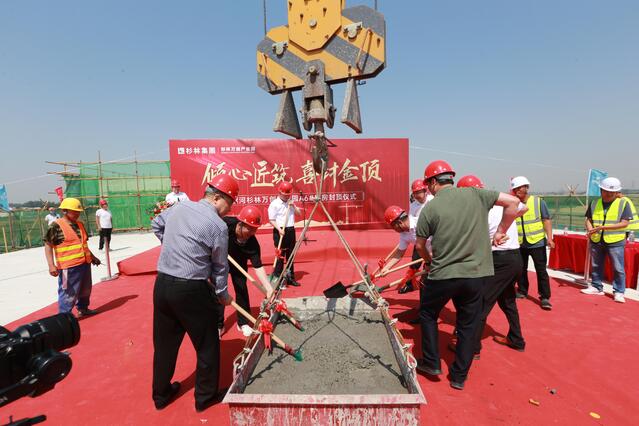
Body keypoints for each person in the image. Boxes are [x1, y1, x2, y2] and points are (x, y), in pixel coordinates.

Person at [414, 160, 520, 390]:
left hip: (443, 274)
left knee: (428, 313)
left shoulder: (430, 208)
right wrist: (501, 231)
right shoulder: (476, 195)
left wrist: (429, 262)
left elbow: (420, 246)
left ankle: (431, 363)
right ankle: (459, 376)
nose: (428, 189)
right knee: (468, 323)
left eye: (428, 184)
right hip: (476, 275)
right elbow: (514, 202)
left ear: (433, 182)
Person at [150, 174, 238, 412]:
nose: (229, 210)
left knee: (164, 344)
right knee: (208, 344)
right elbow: (220, 266)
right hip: (191, 289)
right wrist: (222, 294)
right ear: (217, 198)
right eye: (230, 203)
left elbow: (156, 225)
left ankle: (161, 395)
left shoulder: (180, 208)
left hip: (162, 284)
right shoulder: (218, 226)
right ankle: (205, 397)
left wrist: (174, 247)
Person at [450, 175, 528, 358]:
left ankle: (472, 348)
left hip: (499, 261)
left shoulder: (479, 213)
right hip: (515, 259)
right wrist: (506, 223)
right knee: (507, 301)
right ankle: (516, 339)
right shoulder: (503, 204)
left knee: (480, 304)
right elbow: (523, 207)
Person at [219, 205, 274, 337]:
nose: (252, 233)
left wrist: (268, 288)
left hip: (239, 264)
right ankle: (219, 324)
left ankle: (243, 323)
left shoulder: (252, 243)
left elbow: (258, 266)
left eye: (255, 230)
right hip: (220, 261)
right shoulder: (225, 224)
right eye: (249, 229)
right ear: (240, 224)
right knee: (219, 291)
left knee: (242, 289)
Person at [43, 198, 101, 317]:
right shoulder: (56, 226)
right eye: (74, 211)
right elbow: (48, 245)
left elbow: (83, 244)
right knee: (68, 293)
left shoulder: (80, 224)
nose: (77, 214)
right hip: (68, 267)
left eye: (78, 212)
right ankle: (64, 317)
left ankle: (83, 309)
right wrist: (51, 265)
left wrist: (93, 257)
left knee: (85, 289)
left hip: (84, 263)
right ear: (64, 211)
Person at [581, 177, 633, 303]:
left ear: (617, 192)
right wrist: (590, 230)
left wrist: (603, 227)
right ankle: (596, 286)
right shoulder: (594, 203)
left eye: (612, 192)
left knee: (618, 268)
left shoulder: (623, 203)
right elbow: (588, 219)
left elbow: (625, 223)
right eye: (606, 191)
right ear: (601, 190)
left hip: (615, 241)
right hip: (597, 239)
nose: (609, 194)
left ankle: (619, 291)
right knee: (596, 265)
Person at [510, 176, 554, 310]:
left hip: (537, 242)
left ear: (527, 187)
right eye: (515, 188)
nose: (517, 190)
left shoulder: (538, 202)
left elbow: (546, 220)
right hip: (520, 243)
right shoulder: (513, 203)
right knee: (521, 269)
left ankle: (545, 297)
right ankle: (522, 290)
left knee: (541, 270)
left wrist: (550, 238)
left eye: (520, 187)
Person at [380, 205, 428, 295]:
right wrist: (387, 268)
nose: (394, 230)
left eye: (393, 227)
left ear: (399, 222)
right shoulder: (404, 234)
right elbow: (399, 253)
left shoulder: (421, 222)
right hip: (428, 255)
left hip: (441, 252)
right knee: (425, 284)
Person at [268, 181, 302, 287]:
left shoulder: (290, 203)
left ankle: (290, 278)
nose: (287, 196)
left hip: (290, 230)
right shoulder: (274, 204)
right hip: (280, 231)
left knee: (291, 255)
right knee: (280, 256)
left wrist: (293, 206)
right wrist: (279, 229)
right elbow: (271, 219)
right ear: (280, 193)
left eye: (289, 194)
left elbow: (299, 214)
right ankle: (278, 280)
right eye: (285, 194)